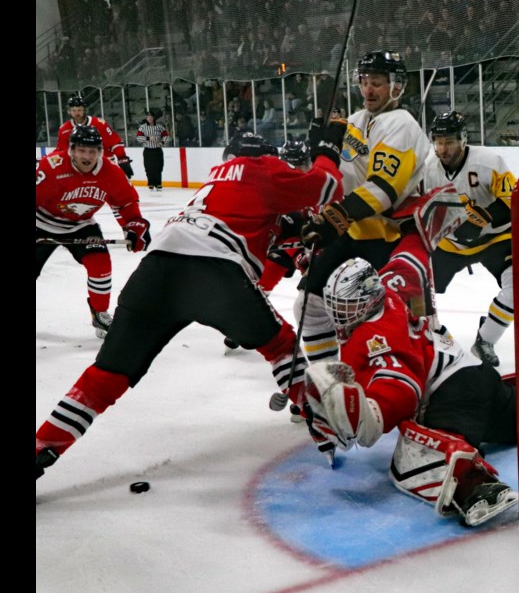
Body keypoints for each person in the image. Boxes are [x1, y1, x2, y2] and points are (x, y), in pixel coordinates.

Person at [35, 126, 349, 481]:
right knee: (279, 345)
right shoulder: (260, 169)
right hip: (212, 272)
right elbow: (327, 184)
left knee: (108, 373)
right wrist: (328, 149)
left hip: (154, 270)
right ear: (263, 156)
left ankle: (45, 443)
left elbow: (269, 220)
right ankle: (320, 418)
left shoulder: (216, 178)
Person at [301, 257, 519, 527]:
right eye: (336, 307)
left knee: (422, 451)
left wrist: (366, 416)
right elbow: (411, 271)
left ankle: (476, 486)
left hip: (452, 391)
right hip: (475, 374)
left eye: (346, 306)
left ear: (366, 299)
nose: (339, 315)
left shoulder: (373, 338)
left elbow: (403, 389)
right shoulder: (393, 296)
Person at [295, 51, 435, 370]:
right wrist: (322, 146)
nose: (369, 90)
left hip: (394, 238)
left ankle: (422, 371)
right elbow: (336, 173)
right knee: (309, 303)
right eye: (365, 82)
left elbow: (382, 189)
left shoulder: (402, 125)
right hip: (355, 233)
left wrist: (334, 219)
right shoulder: (356, 121)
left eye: (378, 84)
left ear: (396, 87)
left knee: (411, 318)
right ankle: (330, 376)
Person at [36, 126, 151, 338]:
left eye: (92, 151)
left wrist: (134, 225)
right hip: (42, 223)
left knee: (100, 263)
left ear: (100, 152)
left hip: (81, 224)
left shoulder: (111, 172)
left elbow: (125, 203)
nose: (87, 156)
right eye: (81, 150)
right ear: (71, 150)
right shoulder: (52, 167)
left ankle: (99, 313)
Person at [422, 111, 517, 367]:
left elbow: (514, 200)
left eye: (449, 141)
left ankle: (485, 340)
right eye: (439, 141)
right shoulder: (427, 169)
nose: (443, 148)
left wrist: (481, 219)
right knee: (417, 293)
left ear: (463, 139)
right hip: (449, 244)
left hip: (496, 239)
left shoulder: (489, 161)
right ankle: (423, 341)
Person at [56, 95, 134, 179]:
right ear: (69, 111)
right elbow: (61, 151)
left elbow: (115, 142)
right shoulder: (64, 129)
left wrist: (122, 158)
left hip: (104, 165)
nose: (77, 113)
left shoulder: (99, 124)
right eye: (74, 110)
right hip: (79, 168)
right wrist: (46, 160)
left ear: (84, 110)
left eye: (79, 110)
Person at [135, 109, 170, 191]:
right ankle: (150, 183)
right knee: (148, 167)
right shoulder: (142, 127)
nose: (149, 118)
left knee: (158, 167)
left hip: (157, 150)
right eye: (148, 117)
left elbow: (166, 135)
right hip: (148, 150)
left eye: (151, 117)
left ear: (153, 118)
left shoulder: (159, 127)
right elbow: (138, 138)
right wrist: (148, 138)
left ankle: (158, 183)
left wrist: (162, 142)